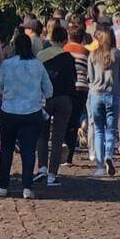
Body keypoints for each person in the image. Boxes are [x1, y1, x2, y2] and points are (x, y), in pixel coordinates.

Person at [0, 31, 53, 199]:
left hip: (9, 111)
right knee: (28, 150)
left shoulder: (7, 64)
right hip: (31, 112)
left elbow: (1, 84)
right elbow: (49, 90)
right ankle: (27, 186)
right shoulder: (38, 65)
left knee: (6, 149)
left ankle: (3, 185)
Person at [35, 25, 76, 186]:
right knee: (58, 137)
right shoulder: (69, 57)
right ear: (65, 40)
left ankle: (42, 168)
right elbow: (73, 80)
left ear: (51, 39)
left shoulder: (41, 56)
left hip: (45, 99)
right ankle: (52, 174)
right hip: (64, 99)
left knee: (42, 135)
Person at [87, 29, 120, 177]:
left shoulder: (93, 54)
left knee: (98, 130)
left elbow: (90, 77)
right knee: (111, 130)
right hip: (112, 94)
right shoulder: (118, 54)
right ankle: (109, 155)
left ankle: (100, 166)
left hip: (96, 94)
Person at [62, 24, 91, 165]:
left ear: (69, 36)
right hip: (83, 88)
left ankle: (63, 146)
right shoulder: (86, 52)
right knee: (75, 120)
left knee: (64, 120)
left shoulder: (64, 50)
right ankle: (69, 157)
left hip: (68, 88)